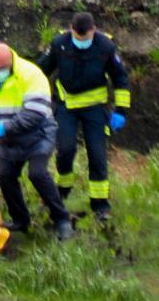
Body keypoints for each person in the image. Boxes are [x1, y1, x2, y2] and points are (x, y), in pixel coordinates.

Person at [0, 42, 74, 240]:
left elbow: (35, 113)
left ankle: (62, 220)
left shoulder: (32, 74)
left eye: (1, 69)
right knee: (5, 176)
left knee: (37, 173)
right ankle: (21, 221)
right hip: (8, 138)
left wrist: (3, 127)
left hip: (38, 133)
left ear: (10, 62)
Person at [37, 12, 131, 221]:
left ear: (93, 30)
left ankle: (100, 206)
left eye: (86, 39)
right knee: (65, 150)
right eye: (78, 40)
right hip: (66, 106)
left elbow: (121, 79)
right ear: (71, 29)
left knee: (97, 155)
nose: (82, 43)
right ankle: (61, 193)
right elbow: (40, 70)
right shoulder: (59, 43)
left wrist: (121, 111)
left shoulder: (106, 47)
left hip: (94, 109)